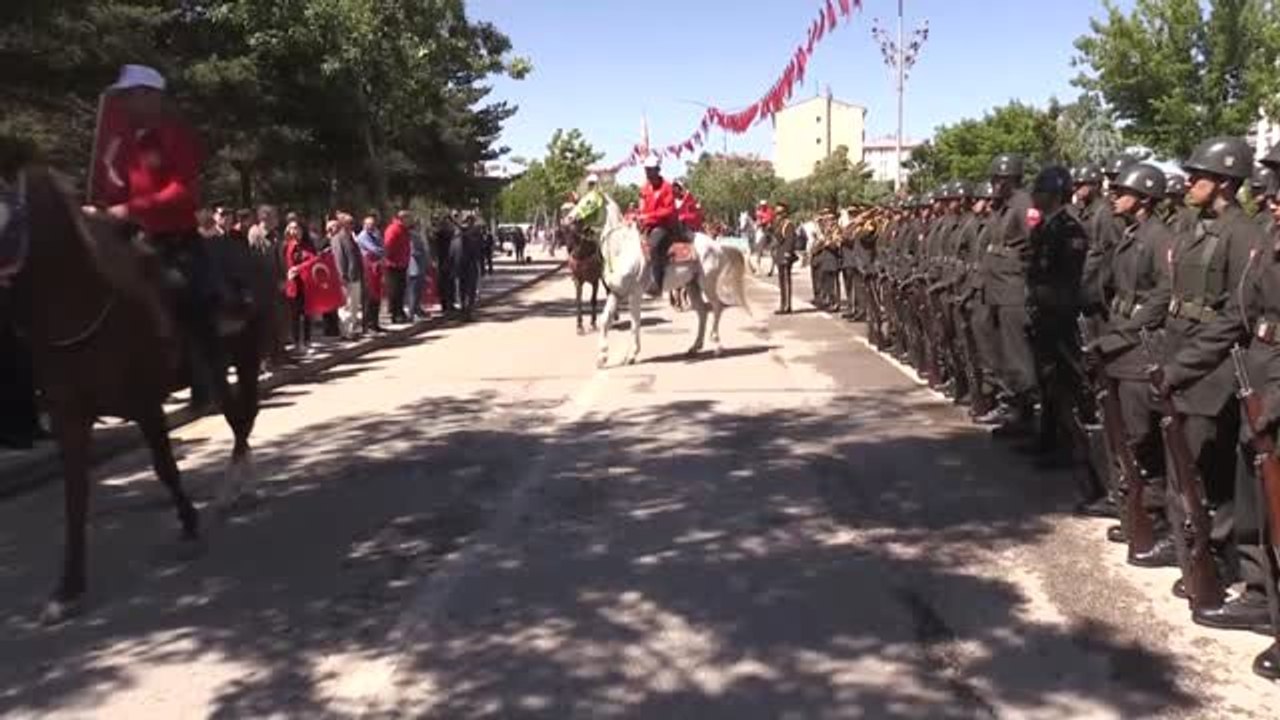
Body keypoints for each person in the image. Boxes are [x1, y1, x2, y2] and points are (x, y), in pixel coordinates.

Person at [1156, 137, 1268, 634]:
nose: (1187, 180)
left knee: (1213, 469)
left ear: (1223, 181)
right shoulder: (1200, 229)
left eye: (1197, 174)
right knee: (1196, 468)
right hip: (1189, 358)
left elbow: (1235, 318)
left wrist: (1186, 365)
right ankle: (1210, 557)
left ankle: (1223, 562)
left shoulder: (1243, 234)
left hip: (1218, 371)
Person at [86, 64, 224, 410]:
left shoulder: (173, 136)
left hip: (174, 238)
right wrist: (99, 209)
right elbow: (111, 185)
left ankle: (206, 377)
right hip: (130, 237)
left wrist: (130, 209)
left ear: (151, 96)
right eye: (123, 97)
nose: (125, 104)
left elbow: (183, 193)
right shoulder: (120, 141)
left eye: (130, 96)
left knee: (190, 294)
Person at [1083, 162, 1175, 563]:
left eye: (1122, 191)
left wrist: (1125, 330)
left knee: (1142, 437)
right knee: (1121, 434)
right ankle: (1134, 507)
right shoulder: (1131, 234)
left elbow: (1163, 295)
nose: (1114, 195)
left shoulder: (1158, 238)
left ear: (1144, 198)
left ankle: (1154, 518)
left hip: (1139, 347)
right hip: (1120, 339)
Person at [976, 152, 1039, 435]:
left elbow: (1034, 246)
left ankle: (1024, 414)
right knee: (1002, 354)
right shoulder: (1002, 207)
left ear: (1013, 179)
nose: (995, 184)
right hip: (998, 291)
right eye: (994, 179)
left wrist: (1024, 278)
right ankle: (1011, 407)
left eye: (1000, 179)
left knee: (1017, 358)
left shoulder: (1024, 204)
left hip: (1013, 292)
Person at [638, 155, 679, 297]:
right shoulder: (645, 188)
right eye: (646, 170)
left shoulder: (667, 187)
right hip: (648, 225)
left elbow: (669, 210)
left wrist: (649, 217)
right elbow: (642, 207)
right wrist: (639, 217)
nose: (648, 173)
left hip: (664, 226)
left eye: (650, 170)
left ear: (657, 170)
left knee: (653, 245)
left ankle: (657, 282)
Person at [283, 220, 316, 354]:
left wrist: (299, 268)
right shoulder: (287, 245)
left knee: (307, 314)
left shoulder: (308, 245)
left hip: (306, 284)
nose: (294, 231)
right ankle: (297, 343)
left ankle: (307, 341)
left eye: (296, 228)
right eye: (291, 228)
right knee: (294, 316)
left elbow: (314, 260)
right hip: (292, 285)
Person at [329, 214, 364, 340]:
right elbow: (338, 259)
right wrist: (342, 275)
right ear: (343, 224)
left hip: (355, 275)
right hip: (345, 277)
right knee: (346, 306)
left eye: (352, 223)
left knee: (354, 305)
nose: (352, 225)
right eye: (350, 223)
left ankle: (352, 330)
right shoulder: (338, 239)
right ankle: (346, 332)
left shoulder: (351, 237)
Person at [356, 214, 386, 333]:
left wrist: (382, 249)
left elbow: (383, 248)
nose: (371, 227)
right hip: (368, 269)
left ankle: (375, 323)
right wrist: (381, 250)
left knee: (377, 297)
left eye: (373, 225)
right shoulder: (363, 236)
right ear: (364, 225)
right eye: (368, 224)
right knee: (369, 298)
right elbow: (375, 250)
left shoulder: (375, 235)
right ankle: (368, 325)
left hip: (376, 269)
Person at [383, 210, 412, 324]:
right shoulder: (393, 229)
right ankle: (395, 314)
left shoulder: (404, 230)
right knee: (394, 291)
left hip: (402, 264)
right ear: (402, 218)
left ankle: (400, 312)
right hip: (393, 265)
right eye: (408, 218)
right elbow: (388, 246)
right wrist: (389, 260)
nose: (410, 221)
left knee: (401, 290)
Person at [773, 202, 799, 314]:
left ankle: (787, 305)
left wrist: (787, 253)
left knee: (786, 281)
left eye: (780, 213)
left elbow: (790, 240)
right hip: (779, 254)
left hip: (785, 255)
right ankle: (783, 304)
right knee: (781, 282)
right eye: (776, 213)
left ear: (785, 213)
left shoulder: (788, 224)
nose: (777, 215)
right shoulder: (779, 224)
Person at [407, 218, 430, 321]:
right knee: (413, 291)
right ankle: (412, 312)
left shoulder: (419, 235)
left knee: (419, 290)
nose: (420, 226)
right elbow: (412, 251)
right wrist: (422, 253)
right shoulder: (412, 235)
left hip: (420, 266)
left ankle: (418, 309)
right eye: (418, 224)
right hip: (414, 267)